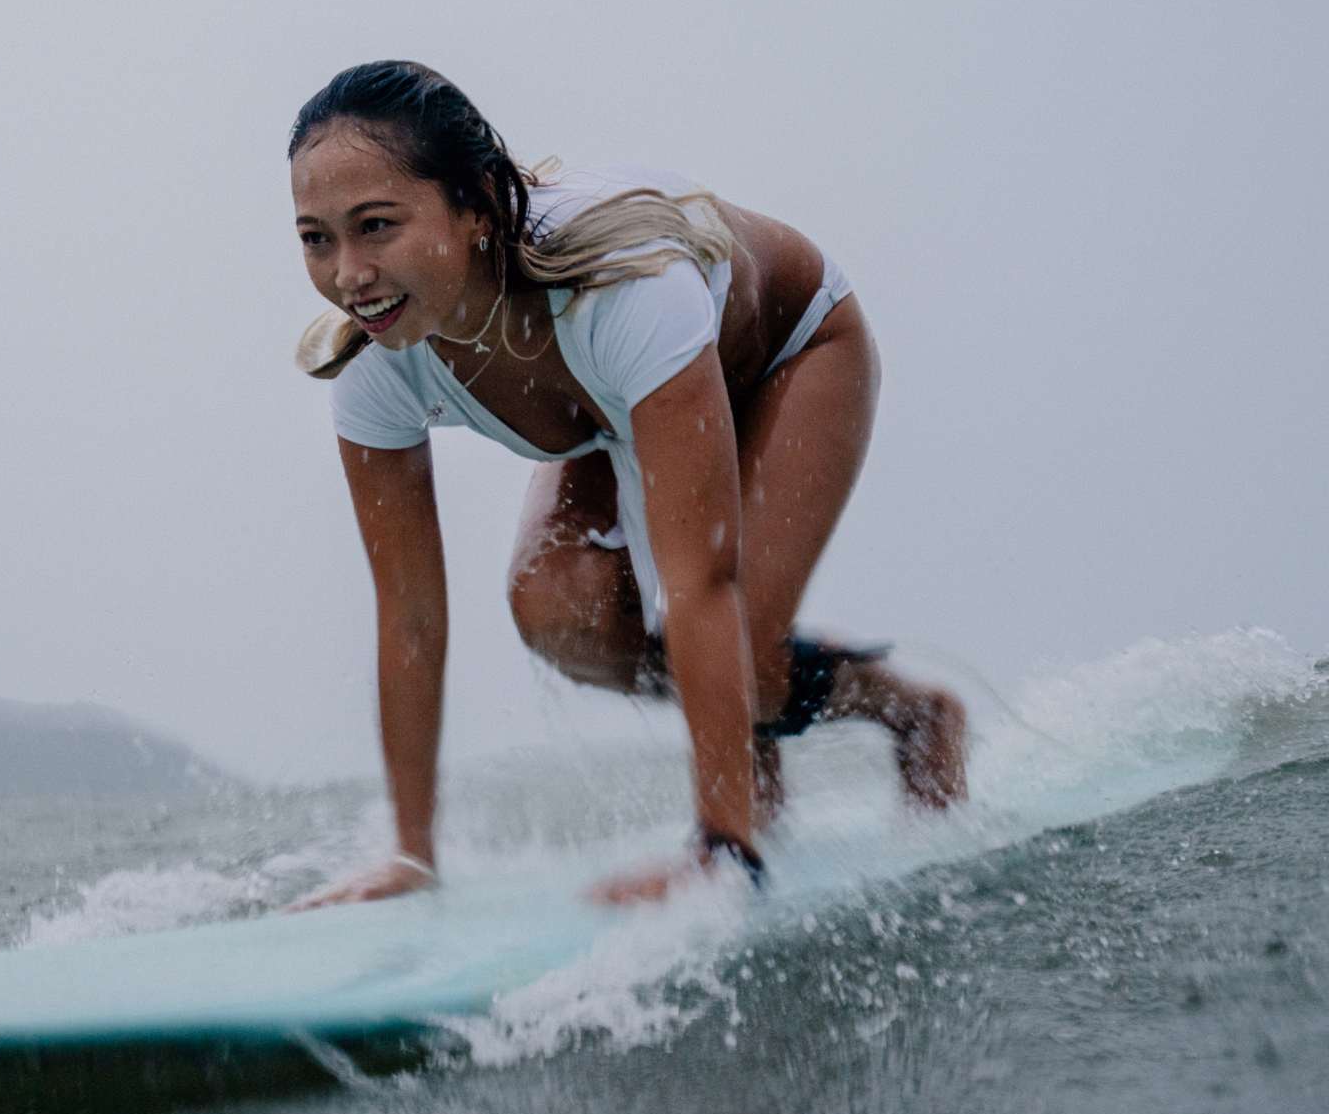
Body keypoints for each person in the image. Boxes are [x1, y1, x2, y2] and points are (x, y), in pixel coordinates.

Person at [282, 60, 967, 910]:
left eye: (376, 226)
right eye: (317, 238)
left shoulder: (627, 291)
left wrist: (720, 853)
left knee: (736, 630)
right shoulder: (373, 358)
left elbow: (698, 581)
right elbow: (412, 618)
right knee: (556, 609)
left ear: (476, 208)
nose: (349, 273)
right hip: (614, 402)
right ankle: (749, 761)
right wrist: (413, 857)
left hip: (792, 354)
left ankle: (908, 720)